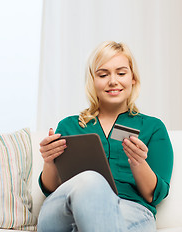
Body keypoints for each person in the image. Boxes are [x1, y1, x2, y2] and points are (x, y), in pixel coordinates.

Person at [37, 41, 173, 232]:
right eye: (103, 74)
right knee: (90, 180)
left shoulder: (153, 128)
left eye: (121, 73)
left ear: (133, 78)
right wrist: (49, 161)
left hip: (129, 209)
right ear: (93, 80)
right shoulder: (68, 126)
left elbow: (154, 195)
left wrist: (138, 163)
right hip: (66, 210)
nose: (113, 81)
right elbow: (52, 188)